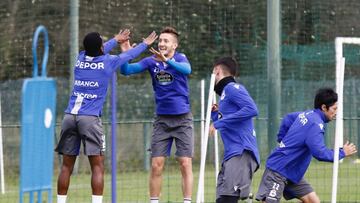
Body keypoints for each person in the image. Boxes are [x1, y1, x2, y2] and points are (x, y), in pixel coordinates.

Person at [55, 29, 158, 203]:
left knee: (66, 166)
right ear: (101, 48)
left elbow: (97, 48)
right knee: (97, 166)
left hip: (69, 116)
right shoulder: (108, 62)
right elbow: (130, 54)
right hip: (90, 119)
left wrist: (115, 40)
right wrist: (145, 44)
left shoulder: (80, 58)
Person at [120, 26, 193, 203]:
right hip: (162, 121)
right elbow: (126, 71)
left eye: (166, 41)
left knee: (184, 163)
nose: (161, 43)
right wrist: (125, 54)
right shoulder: (151, 62)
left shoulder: (180, 58)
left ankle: (187, 201)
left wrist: (167, 61)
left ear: (174, 45)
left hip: (182, 120)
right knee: (156, 165)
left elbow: (187, 70)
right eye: (160, 40)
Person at [256, 88, 358, 203]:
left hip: (292, 173)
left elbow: (288, 118)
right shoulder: (315, 124)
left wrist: (282, 139)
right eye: (334, 109)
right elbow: (320, 153)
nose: (336, 112)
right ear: (324, 107)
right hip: (279, 170)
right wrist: (342, 152)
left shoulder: (307, 114)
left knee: (313, 201)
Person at [210, 57, 260, 203]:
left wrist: (218, 123)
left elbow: (252, 109)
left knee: (227, 198)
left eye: (213, 73)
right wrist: (215, 116)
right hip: (231, 153)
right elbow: (226, 122)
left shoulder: (232, 88)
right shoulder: (224, 95)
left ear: (217, 71)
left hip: (241, 151)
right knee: (222, 198)